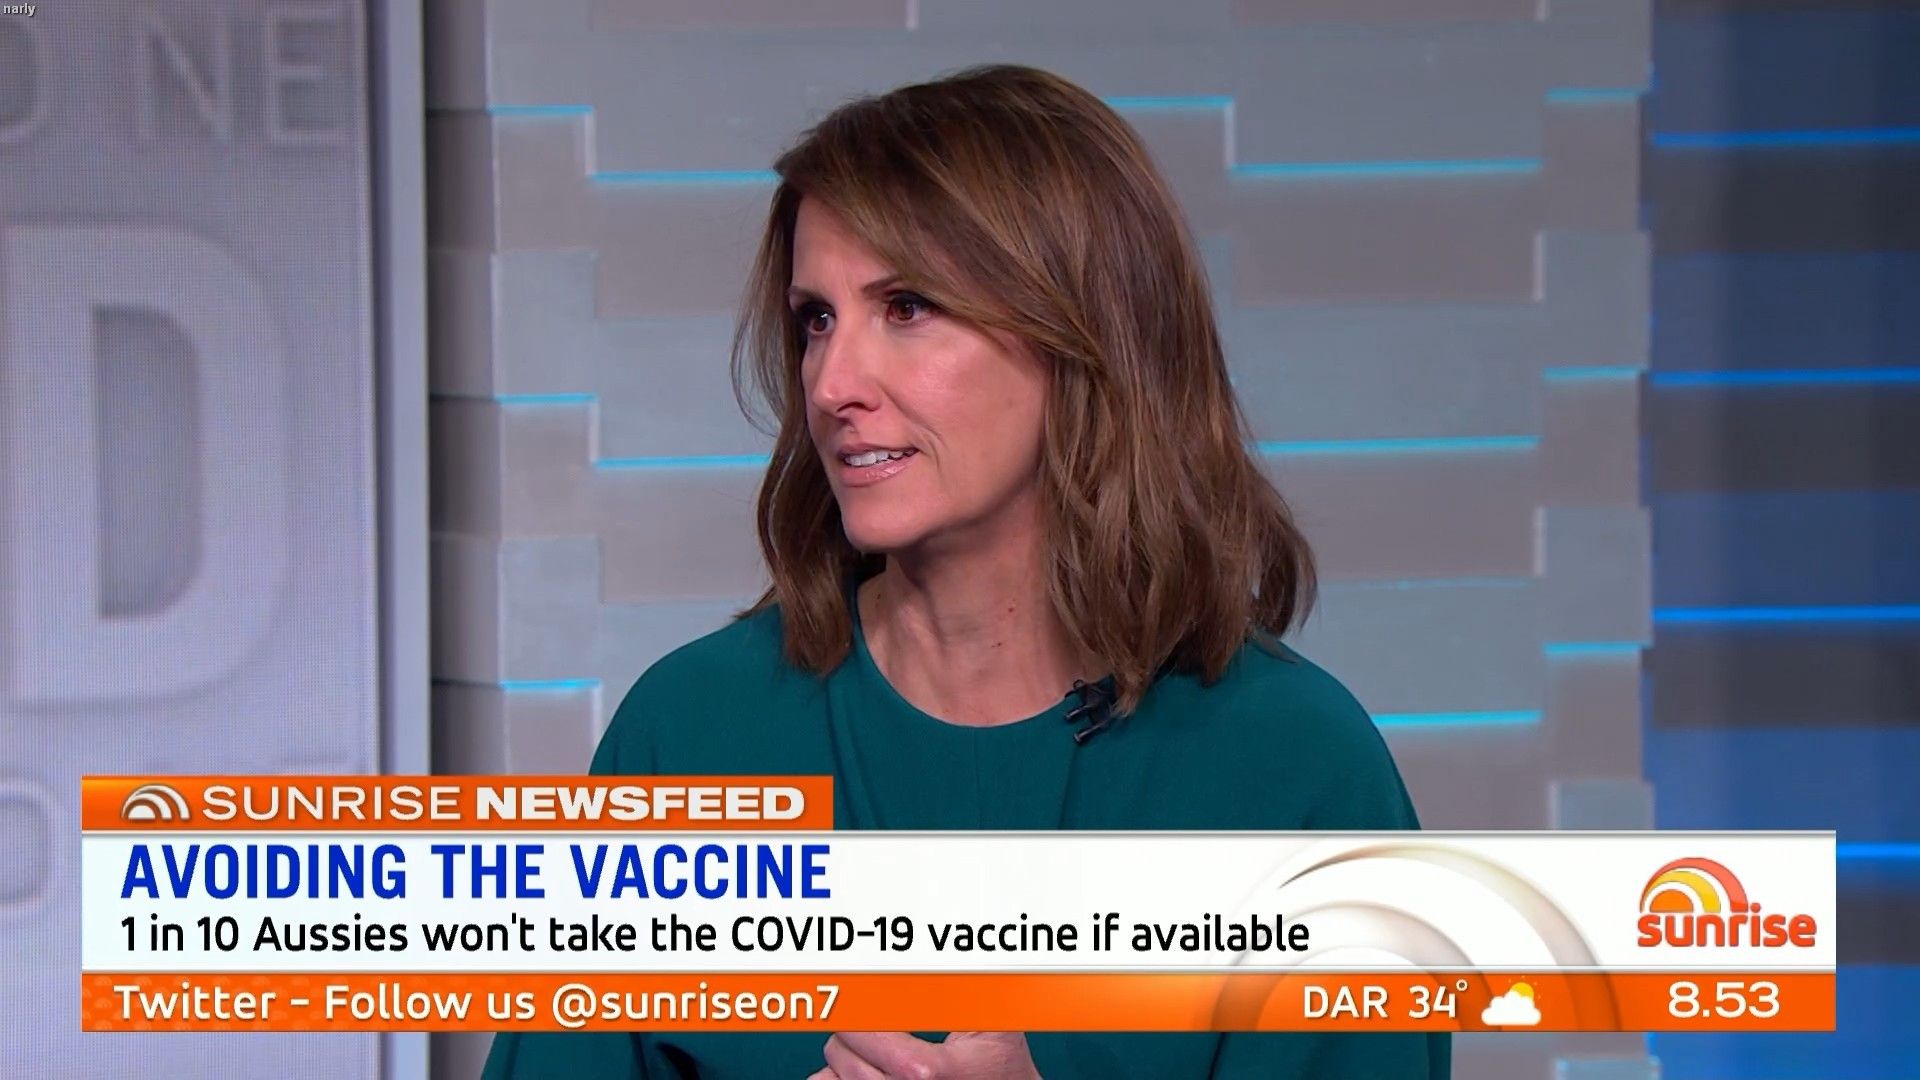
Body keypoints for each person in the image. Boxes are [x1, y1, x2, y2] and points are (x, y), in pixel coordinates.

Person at [483, 63, 1447, 1080]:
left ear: (1085, 336)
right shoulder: (689, 736)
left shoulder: (1299, 772)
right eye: (817, 319)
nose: (833, 384)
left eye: (906, 307)